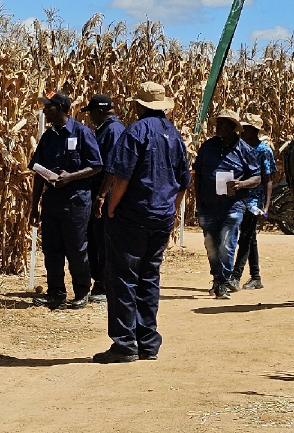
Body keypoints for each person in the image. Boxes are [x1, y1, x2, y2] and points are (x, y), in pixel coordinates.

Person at [92, 82, 191, 363]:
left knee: (123, 278)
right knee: (149, 277)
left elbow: (122, 176)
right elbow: (184, 182)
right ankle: (148, 342)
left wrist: (112, 207)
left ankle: (125, 343)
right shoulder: (174, 135)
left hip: (132, 216)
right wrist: (172, 212)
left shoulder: (136, 131)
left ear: (139, 106)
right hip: (161, 217)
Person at [29, 92, 103, 310]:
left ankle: (81, 292)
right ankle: (56, 293)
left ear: (61, 108)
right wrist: (34, 206)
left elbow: (96, 165)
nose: (45, 111)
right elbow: (37, 171)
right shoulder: (48, 137)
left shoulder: (82, 133)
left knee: (76, 249)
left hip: (76, 201)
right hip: (52, 201)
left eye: (48, 107)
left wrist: (70, 177)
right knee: (52, 249)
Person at [191, 109, 261, 299]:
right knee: (211, 245)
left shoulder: (244, 149)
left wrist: (242, 184)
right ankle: (217, 277)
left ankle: (223, 282)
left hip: (233, 206)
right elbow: (197, 175)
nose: (218, 127)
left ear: (233, 127)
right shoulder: (207, 147)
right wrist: (198, 202)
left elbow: (257, 177)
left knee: (227, 244)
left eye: (223, 124)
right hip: (208, 206)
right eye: (218, 123)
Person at [83, 94, 127, 305]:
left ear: (100, 112)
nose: (90, 117)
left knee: (103, 240)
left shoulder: (113, 131)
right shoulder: (105, 129)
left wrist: (101, 195)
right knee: (95, 238)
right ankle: (100, 280)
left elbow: (111, 167)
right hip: (100, 191)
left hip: (106, 193)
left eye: (91, 113)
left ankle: (104, 283)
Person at [229, 113, 278, 291]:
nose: (242, 132)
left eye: (246, 129)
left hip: (254, 201)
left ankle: (236, 276)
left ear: (255, 131)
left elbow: (268, 179)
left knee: (245, 238)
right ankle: (256, 277)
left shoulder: (263, 150)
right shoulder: (239, 147)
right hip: (239, 198)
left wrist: (266, 206)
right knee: (249, 238)